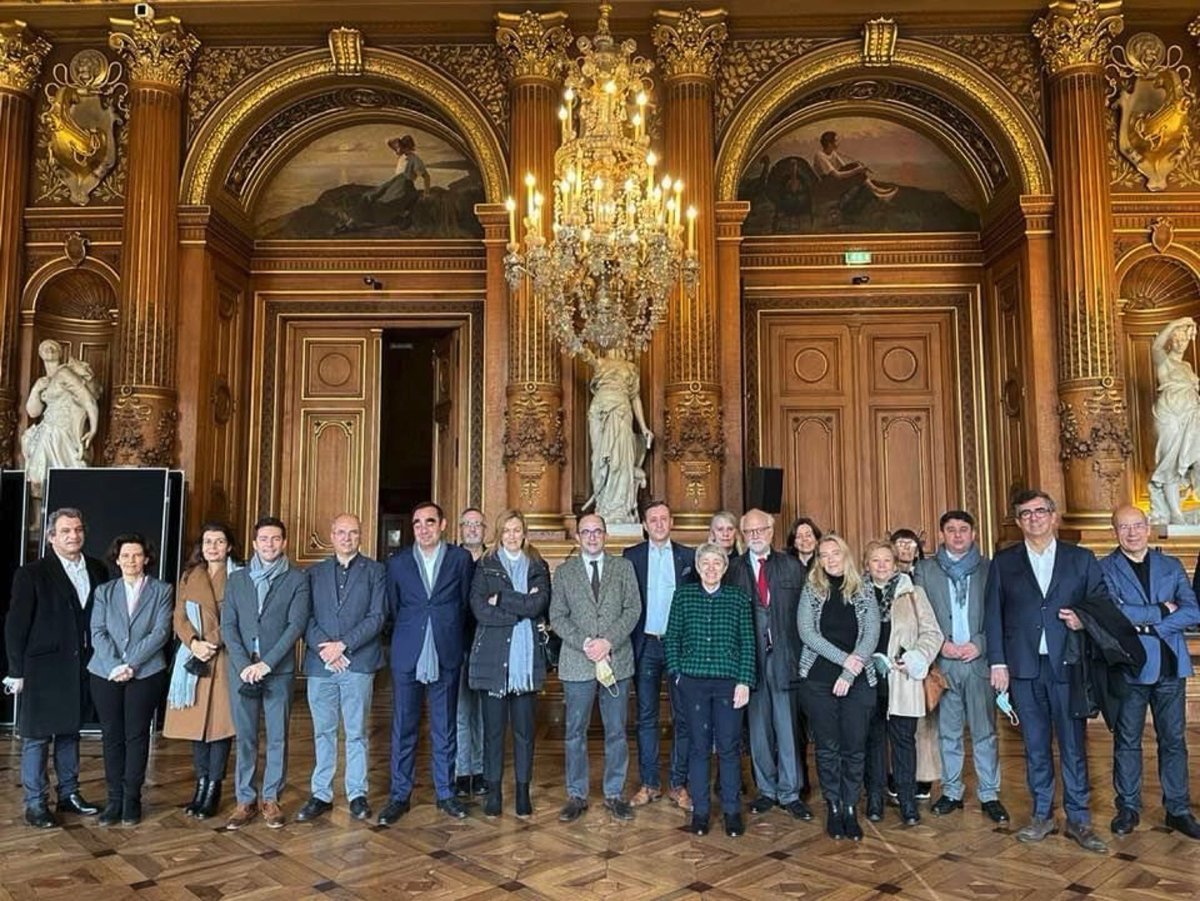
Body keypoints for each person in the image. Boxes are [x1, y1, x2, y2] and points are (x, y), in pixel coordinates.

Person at [984, 489, 1110, 853]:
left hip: (1067, 665)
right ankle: (1042, 815)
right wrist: (998, 662)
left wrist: (1082, 620)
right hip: (1023, 668)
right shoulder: (1004, 562)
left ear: (1054, 517)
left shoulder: (1081, 559)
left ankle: (1079, 819)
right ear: (1019, 521)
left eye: (1040, 511)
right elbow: (993, 614)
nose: (1034, 518)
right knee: (1035, 746)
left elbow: (1100, 603)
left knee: (1073, 745)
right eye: (1025, 513)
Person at [1100, 505, 1200, 839]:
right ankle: (1127, 808)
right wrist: (1160, 610)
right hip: (1131, 667)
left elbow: (1192, 611)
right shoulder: (1105, 569)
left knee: (1173, 741)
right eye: (1124, 527)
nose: (1131, 533)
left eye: (1137, 526)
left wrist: (1152, 628)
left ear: (1147, 528)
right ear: (1115, 531)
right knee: (1127, 740)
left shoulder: (1170, 566)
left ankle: (1178, 809)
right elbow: (1115, 615)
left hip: (1171, 666)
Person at [4, 507, 107, 828]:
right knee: (36, 737)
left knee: (69, 733)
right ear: (51, 538)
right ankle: (36, 803)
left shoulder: (98, 568)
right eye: (65, 531)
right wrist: (15, 670)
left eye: (77, 530)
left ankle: (69, 794)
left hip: (81, 667)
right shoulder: (32, 573)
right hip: (42, 668)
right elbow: (15, 625)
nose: (73, 536)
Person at [379, 502, 474, 825]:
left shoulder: (460, 559)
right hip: (408, 653)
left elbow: (465, 605)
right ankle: (399, 795)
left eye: (429, 522)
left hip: (447, 652)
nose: (423, 528)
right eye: (417, 523)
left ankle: (446, 793)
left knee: (445, 727)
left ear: (443, 525)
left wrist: (451, 637)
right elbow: (393, 607)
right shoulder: (398, 563)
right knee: (404, 726)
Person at [914, 511, 1008, 824]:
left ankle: (990, 794)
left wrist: (980, 643)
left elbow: (1000, 614)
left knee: (985, 732)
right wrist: (940, 644)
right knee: (948, 733)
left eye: (963, 529)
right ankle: (952, 791)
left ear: (974, 533)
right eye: (951, 530)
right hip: (944, 664)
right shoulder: (926, 570)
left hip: (978, 662)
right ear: (942, 534)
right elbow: (919, 615)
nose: (957, 535)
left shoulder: (990, 569)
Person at [549, 513, 641, 823]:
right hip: (578, 662)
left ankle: (614, 794)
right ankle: (577, 794)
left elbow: (633, 609)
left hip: (616, 660)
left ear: (606, 535)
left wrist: (608, 642)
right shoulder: (564, 573)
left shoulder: (623, 568)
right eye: (585, 532)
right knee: (575, 731)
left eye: (597, 531)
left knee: (617, 731)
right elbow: (558, 617)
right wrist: (587, 643)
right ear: (577, 537)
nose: (591, 537)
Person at [222, 516, 311, 830]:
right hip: (241, 671)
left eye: (275, 539)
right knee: (245, 737)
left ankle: (271, 799)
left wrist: (267, 663)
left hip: (278, 670)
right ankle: (245, 799)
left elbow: (295, 626)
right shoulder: (236, 580)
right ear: (255, 542)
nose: (270, 544)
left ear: (284, 542)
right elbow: (228, 626)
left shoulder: (297, 580)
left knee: (277, 737)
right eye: (264, 539)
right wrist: (244, 664)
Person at [295, 514, 386, 824]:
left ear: (361, 536)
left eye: (353, 532)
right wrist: (328, 649)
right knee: (323, 731)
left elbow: (377, 617)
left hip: (358, 663)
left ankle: (356, 793)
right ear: (331, 535)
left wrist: (344, 645)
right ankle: (321, 794)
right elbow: (303, 618)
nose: (347, 537)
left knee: (357, 732)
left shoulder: (375, 571)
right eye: (342, 532)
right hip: (321, 666)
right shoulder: (314, 573)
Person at [725, 508, 812, 819]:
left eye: (760, 530)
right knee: (758, 727)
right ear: (742, 535)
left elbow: (806, 616)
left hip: (786, 658)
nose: (755, 536)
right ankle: (767, 789)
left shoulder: (791, 567)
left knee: (788, 727)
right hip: (750, 662)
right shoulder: (732, 570)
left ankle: (790, 792)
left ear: (772, 531)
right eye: (749, 532)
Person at [665, 543, 755, 837]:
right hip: (693, 682)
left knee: (729, 748)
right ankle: (701, 812)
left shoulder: (738, 598)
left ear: (725, 567)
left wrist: (744, 681)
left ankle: (731, 811)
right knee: (698, 747)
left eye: (718, 563)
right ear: (699, 566)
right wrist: (677, 674)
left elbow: (748, 643)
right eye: (706, 563)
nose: (712, 568)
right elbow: (672, 639)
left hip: (729, 683)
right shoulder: (684, 596)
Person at [468, 509, 551, 819]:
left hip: (526, 664)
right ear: (499, 534)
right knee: (492, 732)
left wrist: (500, 597)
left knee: (524, 732)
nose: (512, 536)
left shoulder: (537, 564)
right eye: (507, 530)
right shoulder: (485, 565)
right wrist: (519, 606)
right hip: (493, 659)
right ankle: (493, 792)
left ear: (524, 532)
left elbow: (539, 604)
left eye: (517, 530)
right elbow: (479, 609)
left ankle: (522, 791)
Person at [797, 533, 880, 841]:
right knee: (828, 748)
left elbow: (871, 633)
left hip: (858, 681)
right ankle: (833, 805)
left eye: (835, 553)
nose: (830, 559)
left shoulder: (864, 589)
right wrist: (846, 661)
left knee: (854, 748)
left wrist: (851, 670)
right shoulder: (812, 589)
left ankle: (849, 806)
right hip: (819, 679)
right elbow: (807, 634)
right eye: (824, 555)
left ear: (846, 555)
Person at [87, 533, 174, 826]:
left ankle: (132, 800)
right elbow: (97, 631)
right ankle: (114, 800)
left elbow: (161, 633)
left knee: (136, 736)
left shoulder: (162, 591)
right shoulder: (104, 592)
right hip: (104, 673)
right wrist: (114, 666)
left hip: (146, 673)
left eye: (136, 555)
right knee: (112, 736)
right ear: (117, 558)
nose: (131, 560)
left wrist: (130, 664)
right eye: (125, 555)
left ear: (146, 559)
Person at [163, 522, 242, 821]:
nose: (213, 547)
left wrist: (212, 642)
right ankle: (200, 785)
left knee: (220, 729)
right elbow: (179, 615)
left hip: (225, 658)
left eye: (219, 542)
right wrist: (194, 643)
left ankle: (214, 789)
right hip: (195, 657)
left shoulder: (239, 576)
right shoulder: (190, 575)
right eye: (208, 541)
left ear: (229, 546)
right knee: (198, 729)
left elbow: (241, 617)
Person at [862, 540, 943, 826]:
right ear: (866, 564)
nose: (881, 565)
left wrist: (914, 656)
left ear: (896, 563)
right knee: (872, 742)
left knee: (904, 742)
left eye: (887, 560)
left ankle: (908, 800)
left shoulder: (913, 593)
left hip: (903, 678)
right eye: (875, 560)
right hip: (868, 679)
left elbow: (933, 633)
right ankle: (874, 797)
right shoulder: (857, 593)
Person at [624, 500, 695, 811]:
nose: (658, 524)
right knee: (646, 717)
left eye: (664, 518)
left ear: (672, 521)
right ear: (645, 524)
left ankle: (679, 784)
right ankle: (650, 783)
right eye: (653, 519)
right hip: (647, 644)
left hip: (680, 645)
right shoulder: (631, 557)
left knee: (683, 716)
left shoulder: (689, 557)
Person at [19, 339, 100, 498]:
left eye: (53, 347)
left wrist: (93, 429)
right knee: (37, 480)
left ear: (60, 353)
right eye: (45, 347)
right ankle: (40, 520)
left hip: (61, 433)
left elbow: (87, 399)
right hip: (47, 430)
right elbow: (33, 412)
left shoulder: (64, 373)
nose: (49, 349)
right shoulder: (43, 381)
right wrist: (36, 389)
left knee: (64, 479)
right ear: (40, 354)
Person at [891, 526, 935, 799]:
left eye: (910, 544)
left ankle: (924, 776)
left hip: (925, 653)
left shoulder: (926, 575)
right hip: (897, 662)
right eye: (900, 543)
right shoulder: (886, 575)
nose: (905, 548)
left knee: (925, 724)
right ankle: (897, 775)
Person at [585, 348, 653, 525]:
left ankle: (619, 509)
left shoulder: (631, 367)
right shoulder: (599, 362)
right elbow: (584, 353)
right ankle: (604, 505)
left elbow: (635, 398)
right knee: (599, 458)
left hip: (621, 410)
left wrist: (644, 427)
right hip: (599, 410)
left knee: (620, 461)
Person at [1148, 317, 1200, 523]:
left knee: (1197, 458)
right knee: (1169, 462)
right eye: (1176, 340)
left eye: (1184, 340)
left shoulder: (1187, 366)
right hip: (1169, 414)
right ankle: (1175, 513)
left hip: (1192, 414)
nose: (1181, 344)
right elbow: (1156, 345)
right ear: (1170, 341)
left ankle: (1191, 501)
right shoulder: (1163, 360)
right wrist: (1176, 323)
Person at [455, 507, 487, 799]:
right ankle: (462, 771)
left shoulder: (494, 560)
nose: (473, 529)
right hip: (459, 645)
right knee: (462, 711)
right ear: (460, 528)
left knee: (484, 713)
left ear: (485, 529)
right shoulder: (452, 561)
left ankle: (480, 771)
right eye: (468, 524)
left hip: (489, 646)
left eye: (478, 524)